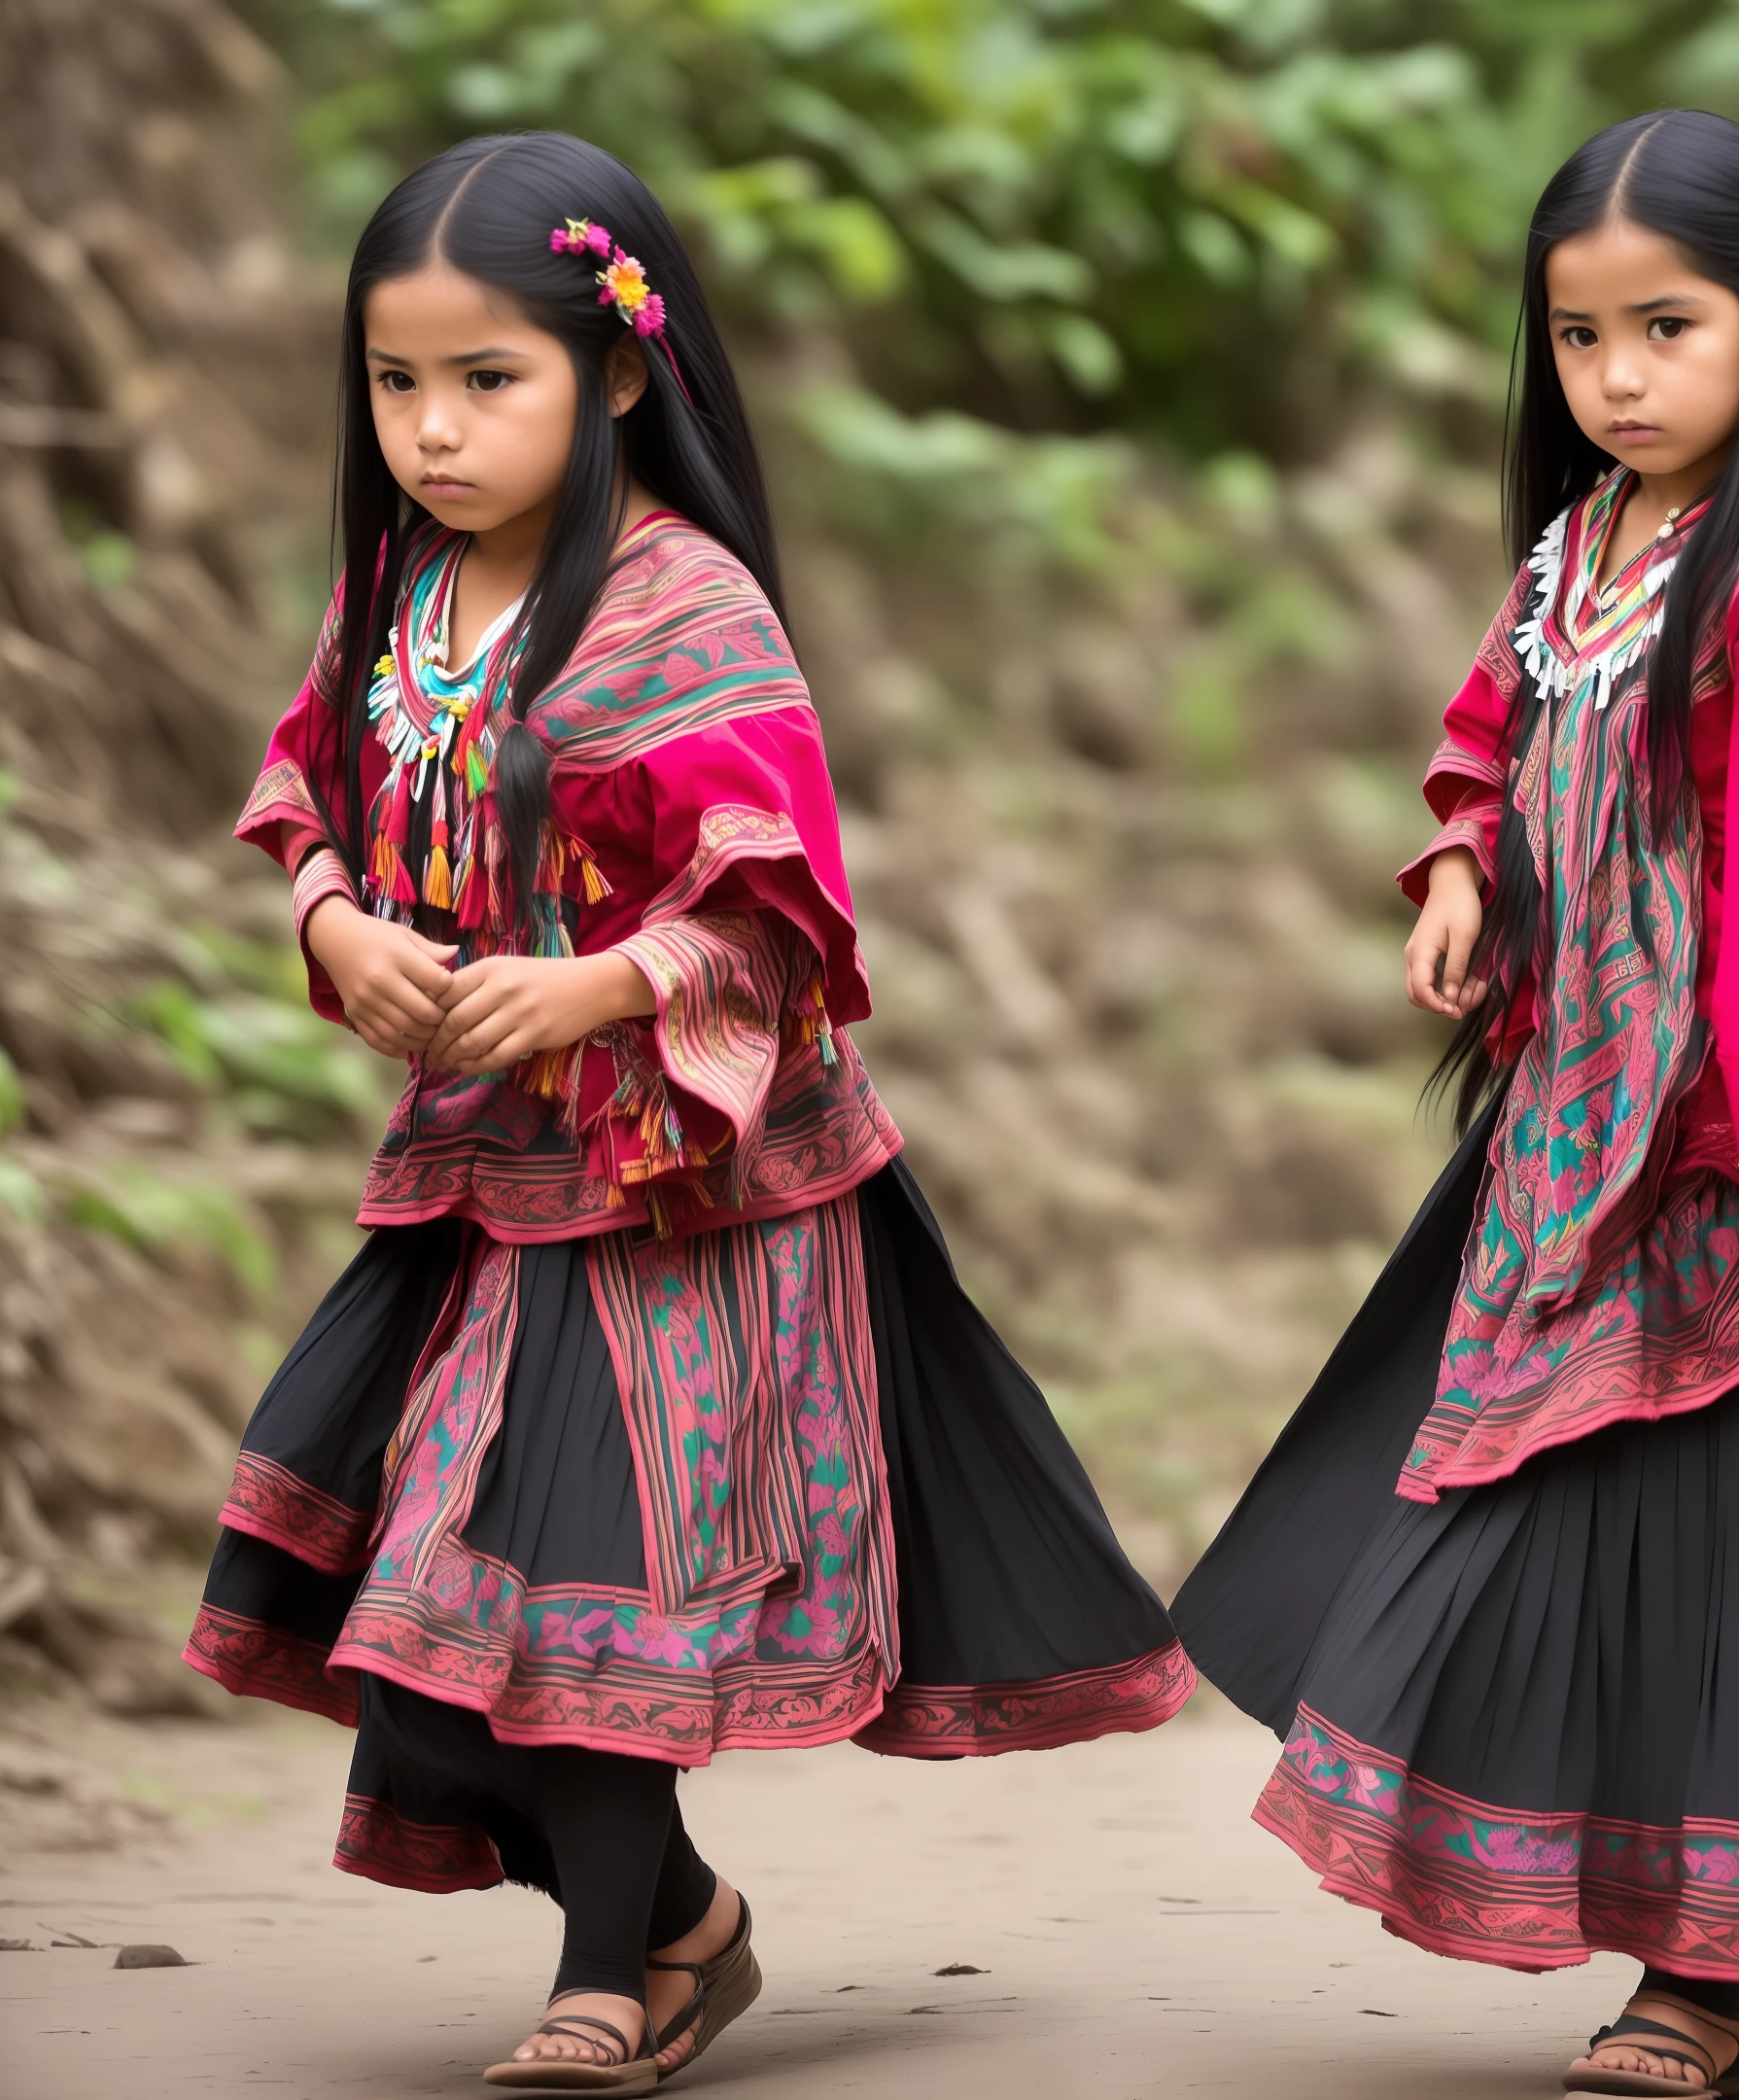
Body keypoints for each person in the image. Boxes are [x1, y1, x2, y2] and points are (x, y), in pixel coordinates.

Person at [184, 130, 1193, 2093]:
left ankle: (606, 1978)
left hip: (681, 1193)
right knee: (407, 1608)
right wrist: (331, 917)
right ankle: (687, 1929)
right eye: (396, 381)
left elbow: (773, 903)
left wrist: (596, 983)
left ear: (619, 369)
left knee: (586, 1590)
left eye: (489, 379)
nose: (432, 429)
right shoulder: (402, 599)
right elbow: (308, 787)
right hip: (483, 1180)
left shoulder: (689, 607)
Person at [1173, 109, 1739, 2098]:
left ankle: (1697, 1990)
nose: (1615, 379)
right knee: (1547, 1538)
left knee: (1719, 1578)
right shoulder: (1591, 540)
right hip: (1587, 1145)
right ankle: (1629, 1925)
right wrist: (1460, 870)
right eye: (1578, 338)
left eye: (1662, 330)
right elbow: (1494, 724)